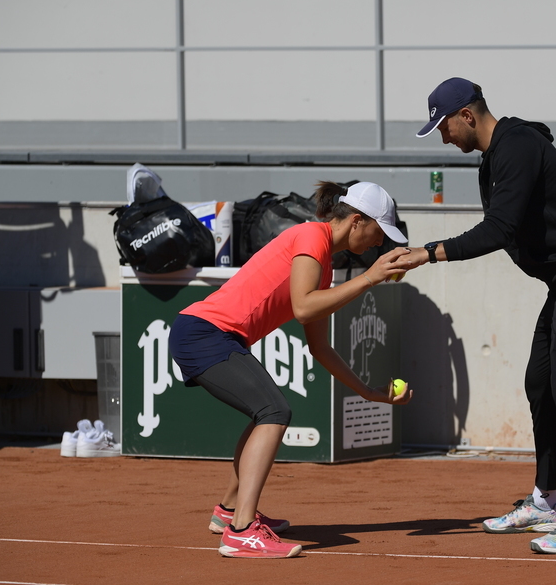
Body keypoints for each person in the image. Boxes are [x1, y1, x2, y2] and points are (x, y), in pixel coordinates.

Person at [404, 78, 556, 554]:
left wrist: (429, 252)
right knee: (540, 383)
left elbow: (499, 229)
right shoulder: (496, 156)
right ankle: (546, 502)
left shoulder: (517, 146)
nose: (443, 138)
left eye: (443, 127)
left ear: (467, 115)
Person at [168, 181, 414, 559]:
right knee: (274, 411)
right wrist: (370, 277)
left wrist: (367, 391)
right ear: (357, 221)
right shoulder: (312, 236)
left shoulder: (324, 266)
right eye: (379, 231)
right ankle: (241, 531)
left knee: (265, 412)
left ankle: (229, 511)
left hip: (215, 336)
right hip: (204, 333)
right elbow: (303, 307)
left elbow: (320, 348)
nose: (379, 242)